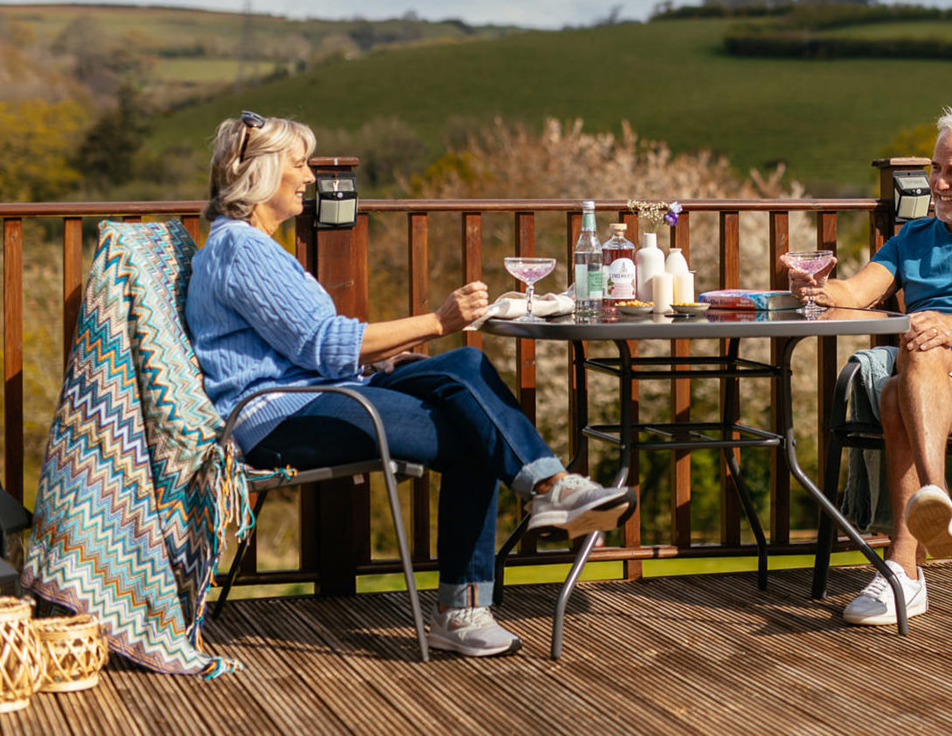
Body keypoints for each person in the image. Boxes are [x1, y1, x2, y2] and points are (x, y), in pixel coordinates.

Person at [185, 111, 636, 658]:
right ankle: (506, 549)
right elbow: (324, 345)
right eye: (299, 166)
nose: (309, 179)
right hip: (278, 417)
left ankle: (548, 491)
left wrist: (379, 364)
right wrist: (437, 321)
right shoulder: (242, 250)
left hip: (322, 392)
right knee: (477, 434)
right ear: (261, 175)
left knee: (465, 369)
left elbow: (308, 349)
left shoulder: (249, 247)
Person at [790, 108, 952, 625]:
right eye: (936, 169)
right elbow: (859, 292)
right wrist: (821, 290)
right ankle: (917, 543)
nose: (938, 183)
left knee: (909, 366)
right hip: (929, 372)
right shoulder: (913, 238)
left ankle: (910, 561)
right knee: (903, 379)